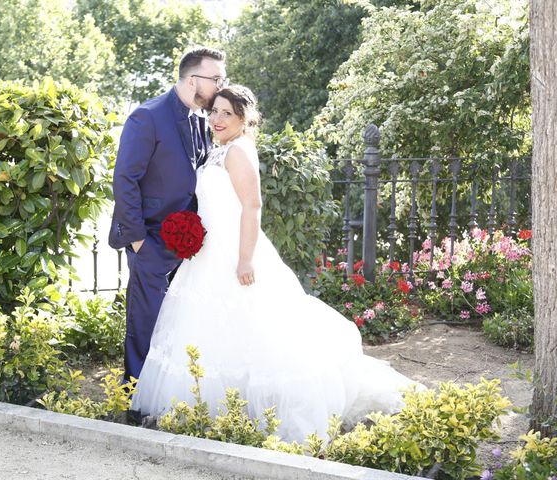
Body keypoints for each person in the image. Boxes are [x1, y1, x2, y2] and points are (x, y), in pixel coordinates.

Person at [133, 85, 419, 442]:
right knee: (214, 331)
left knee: (256, 328)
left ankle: (253, 411)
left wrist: (244, 259)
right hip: (207, 254)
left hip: (234, 251)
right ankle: (215, 412)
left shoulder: (238, 151)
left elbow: (252, 207)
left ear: (244, 119)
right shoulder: (219, 150)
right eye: (214, 111)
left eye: (227, 114)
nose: (217, 119)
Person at [108, 47, 227, 383]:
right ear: (193, 79)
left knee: (177, 325)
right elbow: (125, 178)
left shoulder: (203, 120)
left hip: (188, 246)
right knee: (145, 325)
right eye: (216, 78)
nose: (220, 85)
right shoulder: (147, 117)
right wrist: (137, 242)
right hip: (150, 243)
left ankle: (168, 396)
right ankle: (135, 400)